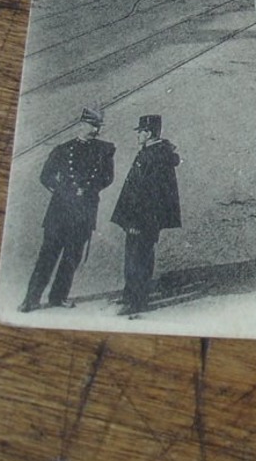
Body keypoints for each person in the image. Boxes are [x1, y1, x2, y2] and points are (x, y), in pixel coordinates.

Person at [20, 106, 115, 312]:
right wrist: (64, 192)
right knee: (47, 256)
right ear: (81, 125)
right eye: (92, 126)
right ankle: (31, 299)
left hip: (83, 212)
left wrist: (88, 189)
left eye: (97, 127)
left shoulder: (105, 150)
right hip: (59, 212)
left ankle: (58, 297)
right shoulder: (62, 150)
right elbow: (45, 176)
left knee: (71, 257)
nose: (95, 131)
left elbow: (108, 177)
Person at [110, 114, 182, 316]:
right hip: (142, 218)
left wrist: (135, 221)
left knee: (137, 259)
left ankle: (136, 302)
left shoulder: (154, 156)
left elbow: (149, 195)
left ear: (148, 134)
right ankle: (130, 294)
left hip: (142, 219)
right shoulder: (154, 151)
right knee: (137, 256)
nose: (138, 135)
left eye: (140, 132)